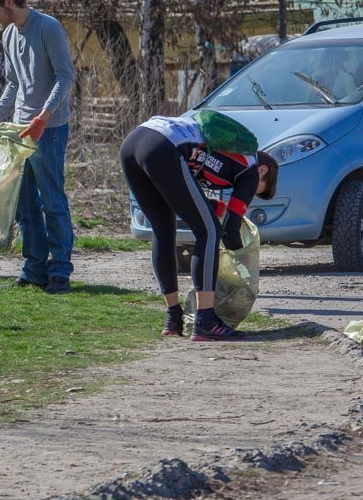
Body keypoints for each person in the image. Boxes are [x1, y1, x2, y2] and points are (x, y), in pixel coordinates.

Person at [119, 110, 279, 341]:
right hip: (164, 145)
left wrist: (214, 209)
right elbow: (230, 232)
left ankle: (173, 318)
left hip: (134, 141)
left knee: (164, 233)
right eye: (257, 191)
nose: (249, 194)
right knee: (210, 232)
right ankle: (205, 320)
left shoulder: (220, 156)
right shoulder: (252, 169)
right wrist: (242, 260)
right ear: (263, 171)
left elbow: (182, 193)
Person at [0, 0, 76, 294]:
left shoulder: (49, 29)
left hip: (49, 130)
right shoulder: (8, 35)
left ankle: (59, 270)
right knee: (23, 204)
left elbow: (65, 78)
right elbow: (14, 84)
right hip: (18, 131)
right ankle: (34, 268)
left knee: (52, 199)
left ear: (9, 2)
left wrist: (44, 117)